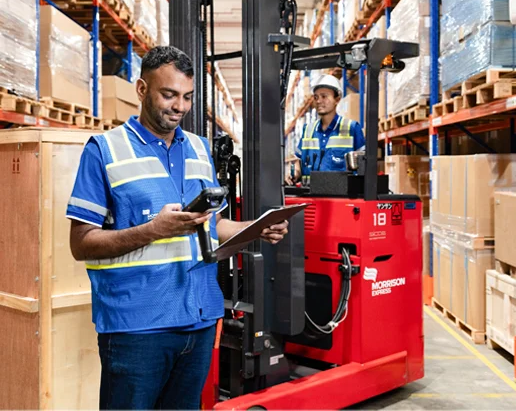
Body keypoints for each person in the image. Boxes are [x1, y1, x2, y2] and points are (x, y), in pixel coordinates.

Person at [66, 46, 289, 410]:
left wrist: (255, 228)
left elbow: (212, 225)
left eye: (186, 97)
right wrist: (153, 229)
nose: (179, 106)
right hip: (137, 327)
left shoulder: (200, 150)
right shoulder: (105, 150)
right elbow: (81, 243)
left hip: (199, 319)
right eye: (168, 94)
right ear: (141, 89)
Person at [286, 74, 366, 185]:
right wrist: (295, 173)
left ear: (337, 99)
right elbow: (298, 160)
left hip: (340, 199)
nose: (318, 101)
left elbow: (364, 165)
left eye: (324, 96)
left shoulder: (352, 128)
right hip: (310, 197)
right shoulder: (308, 130)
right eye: (316, 97)